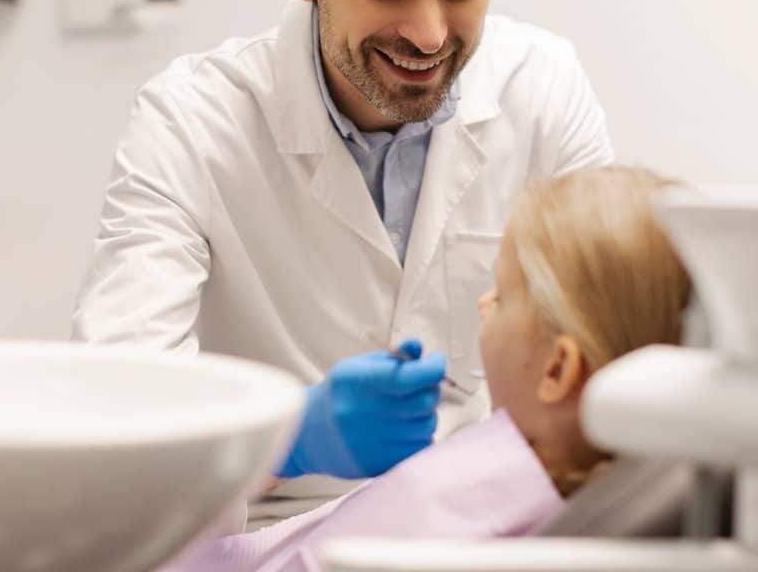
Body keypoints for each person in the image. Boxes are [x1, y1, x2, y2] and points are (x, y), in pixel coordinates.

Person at [73, 0, 613, 523]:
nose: (427, 33)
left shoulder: (543, 86)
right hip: (267, 524)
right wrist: (289, 438)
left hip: (479, 519)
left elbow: (607, 338)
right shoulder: (191, 120)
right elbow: (115, 418)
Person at [164, 166, 694, 571]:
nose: (484, 304)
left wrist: (280, 446)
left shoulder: (450, 534)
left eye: (504, 297)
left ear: (557, 370)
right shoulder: (546, 470)